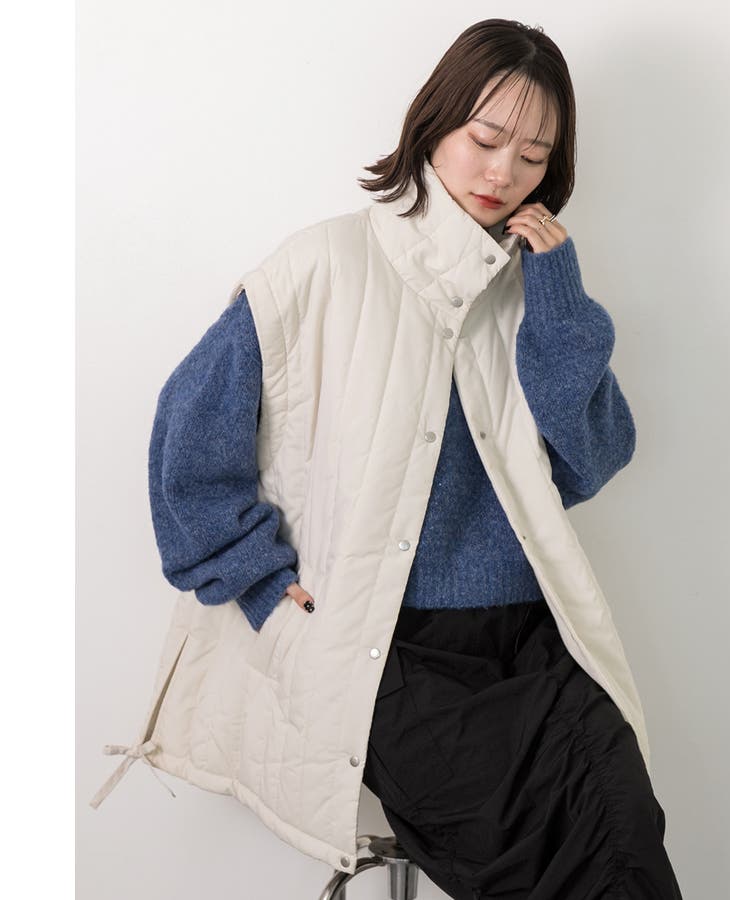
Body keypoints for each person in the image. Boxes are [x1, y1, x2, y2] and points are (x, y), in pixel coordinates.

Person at [140, 18, 683, 900]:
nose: (504, 173)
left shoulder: (535, 288)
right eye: (486, 139)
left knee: (628, 850)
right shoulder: (323, 265)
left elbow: (589, 461)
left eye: (534, 156)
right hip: (387, 651)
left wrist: (558, 306)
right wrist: (257, 580)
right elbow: (188, 437)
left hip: (533, 643)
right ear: (434, 124)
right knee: (536, 867)